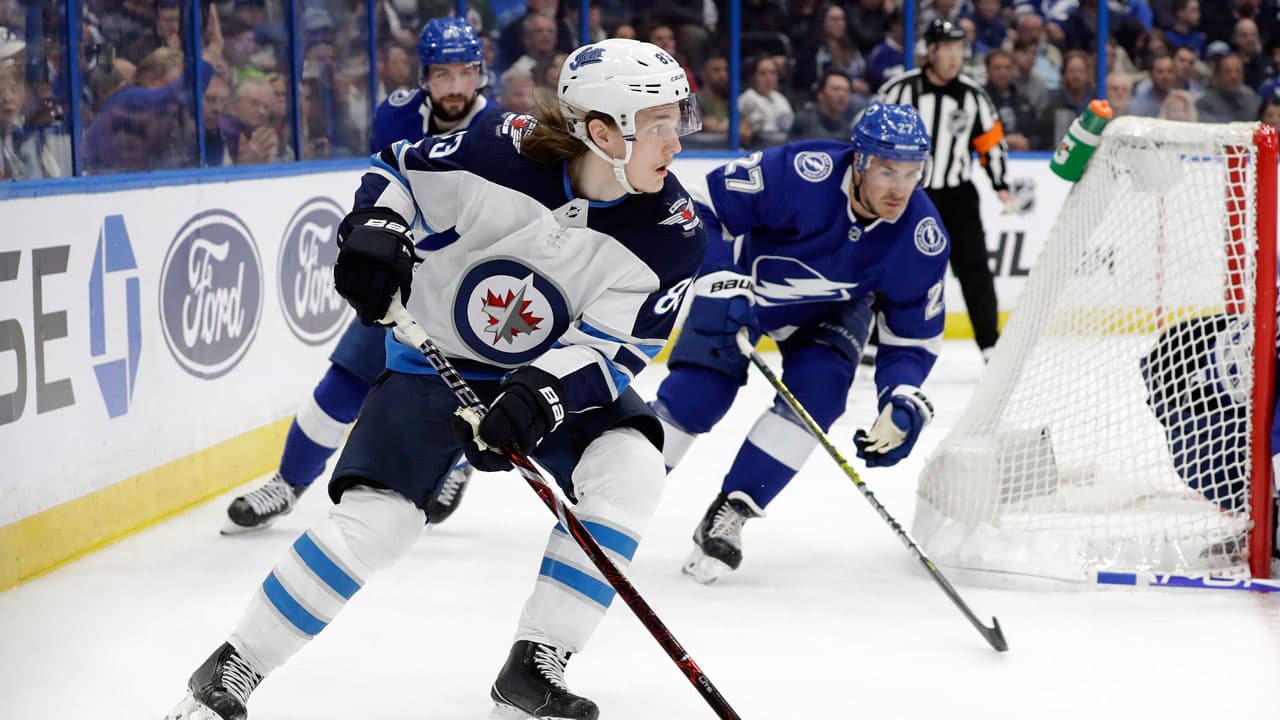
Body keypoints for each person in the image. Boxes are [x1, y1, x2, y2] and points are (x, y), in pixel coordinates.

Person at [163, 37, 704, 720]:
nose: (677, 143)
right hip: (433, 359)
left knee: (631, 467)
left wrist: (541, 395)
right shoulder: (497, 152)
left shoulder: (672, 233)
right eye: (658, 125)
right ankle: (234, 665)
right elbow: (399, 171)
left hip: (549, 371)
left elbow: (614, 349)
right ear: (602, 132)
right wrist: (377, 224)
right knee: (379, 521)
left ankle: (536, 664)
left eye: (678, 121)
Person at [221, 16, 500, 534]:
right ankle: (286, 483)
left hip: (470, 286)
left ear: (480, 74)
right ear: (424, 76)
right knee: (346, 380)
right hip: (408, 277)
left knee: (467, 392)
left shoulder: (499, 129)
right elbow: (386, 191)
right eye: (443, 74)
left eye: (465, 73)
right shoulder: (397, 116)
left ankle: (458, 464)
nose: (455, 86)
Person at [652, 101, 948, 584]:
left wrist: (900, 392)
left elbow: (912, 339)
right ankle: (619, 486)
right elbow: (700, 204)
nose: (900, 189)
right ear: (859, 162)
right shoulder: (800, 171)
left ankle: (733, 510)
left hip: (829, 312)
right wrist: (717, 276)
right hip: (742, 285)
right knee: (699, 392)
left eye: (912, 173)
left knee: (820, 395)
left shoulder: (921, 237)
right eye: (887, 171)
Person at [879, 18, 1012, 361]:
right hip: (908, 194)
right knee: (891, 262)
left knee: (975, 268)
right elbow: (872, 135)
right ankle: (875, 339)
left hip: (957, 195)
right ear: (931, 51)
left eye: (959, 49)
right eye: (948, 49)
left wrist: (1000, 184)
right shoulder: (899, 91)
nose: (955, 57)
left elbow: (990, 142)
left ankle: (990, 343)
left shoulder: (973, 95)